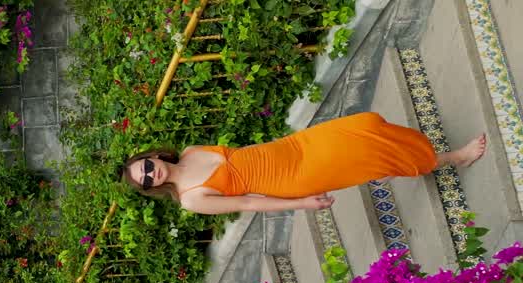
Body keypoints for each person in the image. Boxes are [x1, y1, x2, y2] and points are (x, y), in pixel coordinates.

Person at [121, 111, 486, 215]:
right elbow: (249, 202)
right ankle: (454, 157)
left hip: (294, 147)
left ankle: (425, 154)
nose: (153, 174)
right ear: (153, 189)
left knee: (368, 124)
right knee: (373, 156)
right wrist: (302, 203)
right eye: (147, 181)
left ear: (153, 156)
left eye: (147, 167)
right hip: (295, 174)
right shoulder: (191, 199)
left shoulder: (188, 151)